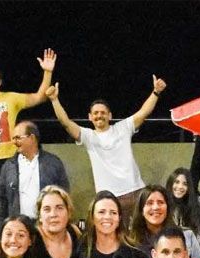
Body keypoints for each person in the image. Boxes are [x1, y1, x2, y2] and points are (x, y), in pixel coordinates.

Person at [46, 75, 166, 219]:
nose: (99, 116)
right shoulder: (88, 136)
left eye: (103, 113)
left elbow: (144, 112)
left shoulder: (123, 128)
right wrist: (54, 100)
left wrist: (156, 92)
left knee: (142, 236)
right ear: (90, 117)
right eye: (95, 113)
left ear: (110, 116)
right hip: (108, 198)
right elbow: (65, 122)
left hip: (136, 191)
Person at [0, 50, 57, 197]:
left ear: (0, 82)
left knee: (14, 199)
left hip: (10, 159)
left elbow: (40, 97)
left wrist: (48, 72)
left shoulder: (11, 98)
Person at [0, 121, 70, 220]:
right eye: (13, 138)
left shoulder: (53, 163)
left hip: (46, 225)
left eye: (18, 138)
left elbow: (64, 195)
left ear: (32, 138)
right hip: (19, 226)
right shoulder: (8, 166)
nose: (14, 142)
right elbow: (1, 200)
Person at [77, 191, 151, 258]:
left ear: (119, 219)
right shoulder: (80, 253)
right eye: (101, 212)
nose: (107, 217)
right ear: (92, 218)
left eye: (113, 213)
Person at [128, 184, 200, 258]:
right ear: (141, 210)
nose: (155, 207)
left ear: (167, 208)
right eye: (149, 203)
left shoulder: (187, 236)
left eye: (160, 202)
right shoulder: (131, 243)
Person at [167, 167, 200, 258]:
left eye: (185, 184)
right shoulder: (166, 203)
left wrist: (195, 241)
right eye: (176, 182)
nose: (180, 187)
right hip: (177, 250)